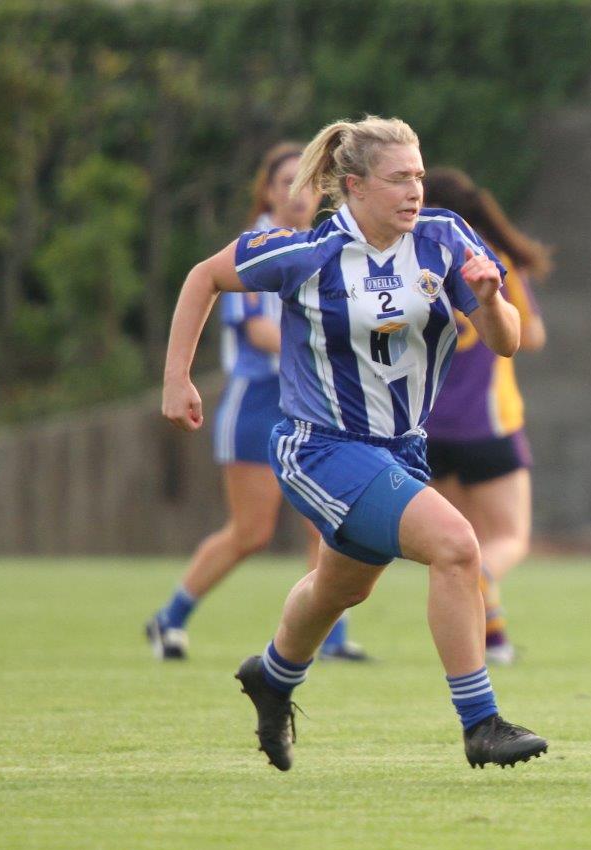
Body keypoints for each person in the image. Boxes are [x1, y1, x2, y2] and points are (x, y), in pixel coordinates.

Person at [161, 115, 548, 772]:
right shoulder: (308, 253)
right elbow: (204, 276)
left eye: (420, 175)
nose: (415, 189)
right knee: (456, 546)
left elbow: (508, 340)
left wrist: (489, 302)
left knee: (338, 589)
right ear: (353, 185)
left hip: (403, 449)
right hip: (320, 446)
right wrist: (176, 378)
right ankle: (481, 723)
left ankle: (273, 678)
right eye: (399, 178)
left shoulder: (445, 240)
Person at [146, 143, 367, 662]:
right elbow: (257, 329)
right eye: (287, 181)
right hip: (257, 401)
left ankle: (332, 637)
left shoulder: (324, 243)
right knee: (251, 532)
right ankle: (170, 618)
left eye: (309, 181)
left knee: (328, 520)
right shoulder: (257, 245)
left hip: (310, 404)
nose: (299, 192)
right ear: (267, 191)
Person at [421, 168, 549, 666]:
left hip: (427, 428)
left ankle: (493, 641)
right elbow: (531, 337)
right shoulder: (486, 264)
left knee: (464, 543)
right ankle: (488, 594)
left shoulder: (416, 268)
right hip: (488, 425)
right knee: (508, 539)